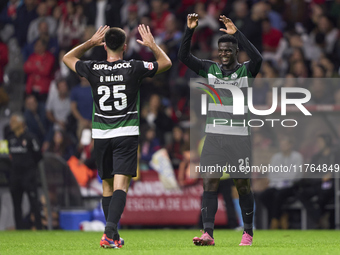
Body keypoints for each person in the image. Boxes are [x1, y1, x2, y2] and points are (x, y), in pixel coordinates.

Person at [63, 25, 171, 248]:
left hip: (101, 135)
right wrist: (152, 45)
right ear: (125, 46)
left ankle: (112, 236)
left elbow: (67, 57)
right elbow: (166, 63)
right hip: (126, 133)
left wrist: (90, 42)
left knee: (107, 188)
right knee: (121, 186)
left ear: (104, 45)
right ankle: (109, 233)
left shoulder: (93, 68)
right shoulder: (134, 67)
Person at [178, 13, 262, 246]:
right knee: (209, 183)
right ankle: (208, 233)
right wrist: (189, 30)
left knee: (242, 185)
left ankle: (247, 232)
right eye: (221, 50)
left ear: (235, 52)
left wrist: (238, 35)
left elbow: (258, 58)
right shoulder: (210, 69)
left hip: (239, 139)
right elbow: (183, 56)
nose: (223, 54)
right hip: (214, 137)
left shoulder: (246, 71)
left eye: (228, 50)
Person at [7, 112, 42, 230]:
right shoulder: (10, 139)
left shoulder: (30, 138)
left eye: (13, 121)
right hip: (15, 177)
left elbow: (38, 155)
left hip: (29, 176)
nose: (10, 124)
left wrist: (30, 167)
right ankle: (19, 229)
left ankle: (39, 227)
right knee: (16, 205)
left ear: (21, 123)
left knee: (34, 203)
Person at [259, 137, 303, 229]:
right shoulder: (276, 157)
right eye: (281, 145)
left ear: (291, 145)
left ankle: (274, 220)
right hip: (276, 185)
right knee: (263, 195)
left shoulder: (297, 157)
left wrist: (280, 175)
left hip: (292, 186)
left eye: (285, 144)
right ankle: (282, 216)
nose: (283, 147)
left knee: (278, 195)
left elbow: (293, 176)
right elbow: (271, 174)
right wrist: (284, 175)